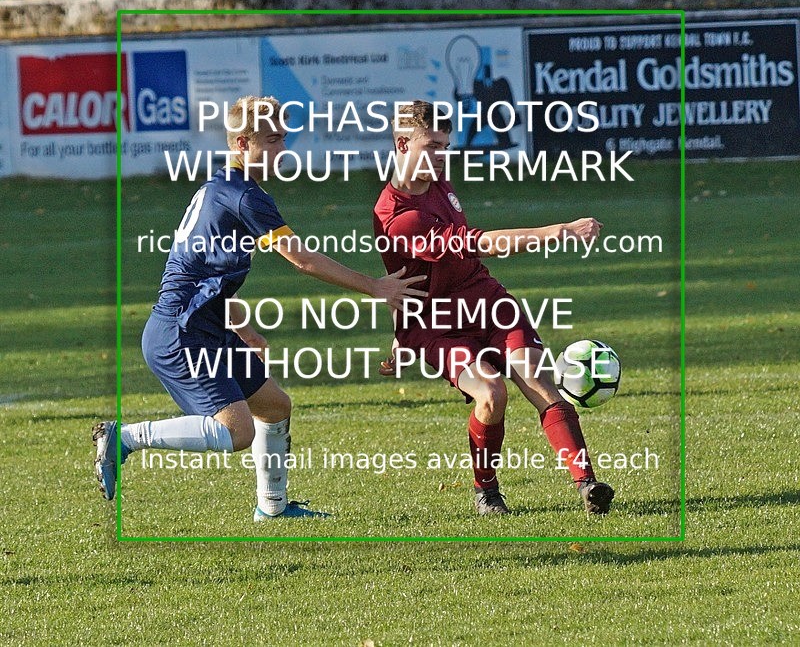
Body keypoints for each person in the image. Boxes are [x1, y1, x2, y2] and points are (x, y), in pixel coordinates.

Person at [94, 95, 425, 520]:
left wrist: (242, 329)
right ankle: (124, 437)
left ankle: (273, 508)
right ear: (241, 143)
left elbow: (206, 272)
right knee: (238, 432)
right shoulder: (245, 197)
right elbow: (303, 260)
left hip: (205, 325)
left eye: (283, 138)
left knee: (274, 406)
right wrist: (374, 286)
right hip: (182, 332)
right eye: (271, 140)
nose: (281, 148)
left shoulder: (221, 187)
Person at [372, 100, 614, 516]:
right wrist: (558, 230)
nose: (439, 157)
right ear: (401, 144)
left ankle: (587, 485)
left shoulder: (436, 178)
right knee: (491, 393)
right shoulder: (398, 216)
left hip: (485, 297)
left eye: (444, 147)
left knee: (540, 384)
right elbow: (479, 243)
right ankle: (486, 491)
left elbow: (408, 274)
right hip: (437, 324)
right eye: (430, 146)